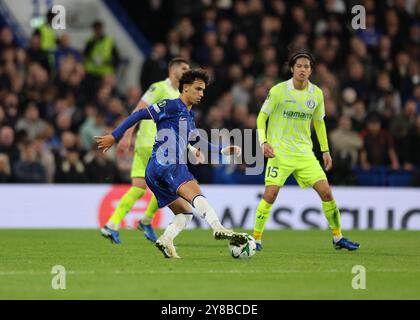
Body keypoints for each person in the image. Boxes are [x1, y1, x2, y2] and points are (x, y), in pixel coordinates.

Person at [95, 69, 246, 258]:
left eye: (203, 90)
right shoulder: (171, 105)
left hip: (153, 172)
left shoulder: (189, 117)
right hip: (167, 163)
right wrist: (114, 136)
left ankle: (166, 239)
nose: (201, 94)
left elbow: (196, 140)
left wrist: (222, 150)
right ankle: (218, 227)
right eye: (198, 89)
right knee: (196, 192)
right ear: (185, 88)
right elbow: (139, 114)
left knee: (185, 213)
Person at [252, 51, 360, 251]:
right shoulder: (278, 91)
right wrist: (263, 142)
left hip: (304, 154)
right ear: (292, 68)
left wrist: (326, 151)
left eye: (306, 66)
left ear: (311, 70)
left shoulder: (316, 93)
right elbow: (261, 118)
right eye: (299, 66)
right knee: (270, 194)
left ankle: (338, 238)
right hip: (279, 153)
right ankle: (256, 239)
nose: (303, 69)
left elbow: (319, 124)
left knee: (327, 193)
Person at [100, 58, 190, 244]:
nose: (187, 71)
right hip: (154, 145)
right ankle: (146, 220)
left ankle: (111, 225)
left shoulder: (180, 94)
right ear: (172, 70)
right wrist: (126, 134)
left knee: (138, 188)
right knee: (169, 186)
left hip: (145, 145)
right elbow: (139, 109)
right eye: (184, 68)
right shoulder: (159, 88)